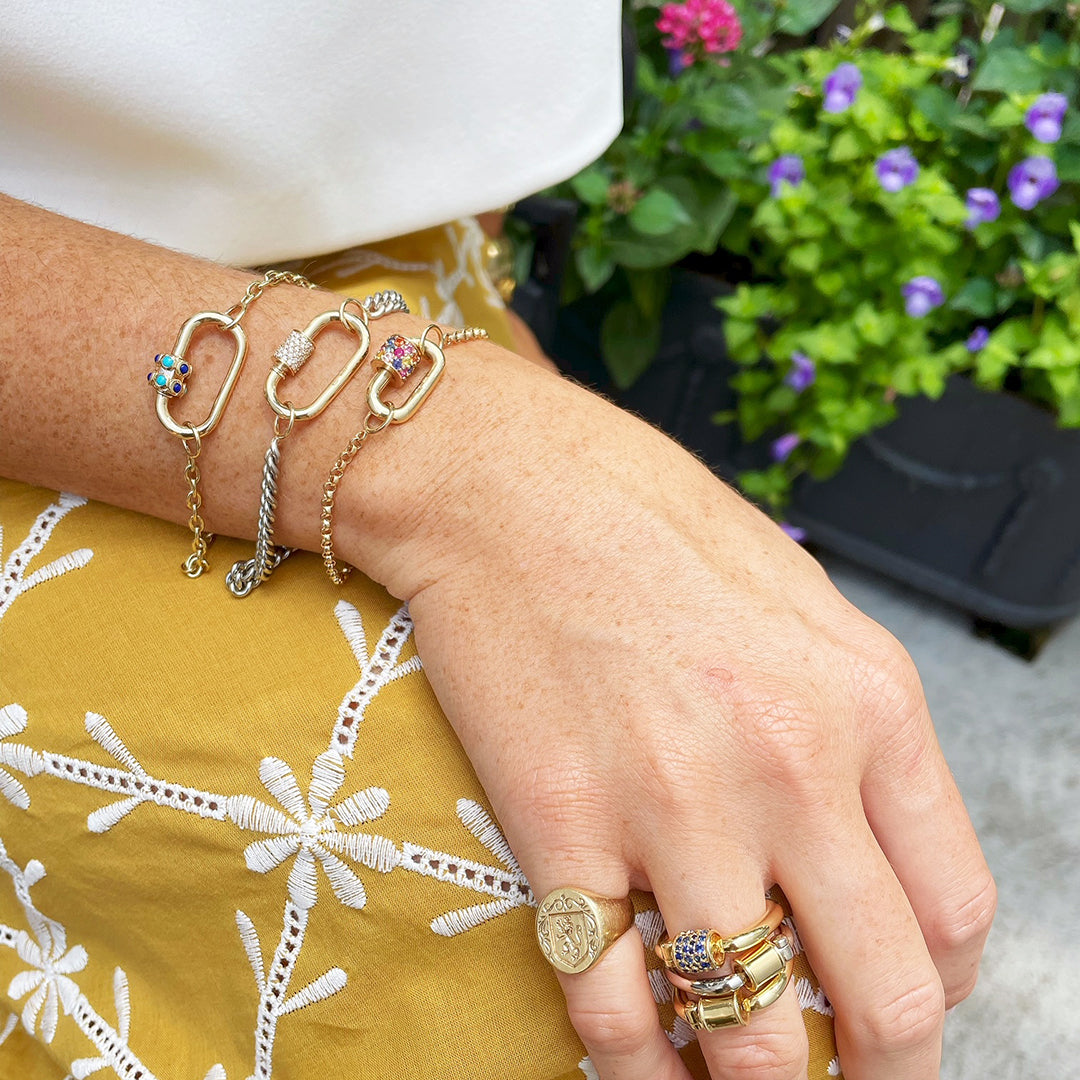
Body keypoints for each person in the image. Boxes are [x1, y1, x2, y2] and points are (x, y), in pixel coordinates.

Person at [0, 5, 995, 1079]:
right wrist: (465, 462)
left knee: (752, 823)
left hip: (403, 314)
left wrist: (512, 383)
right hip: (65, 349)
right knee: (621, 972)